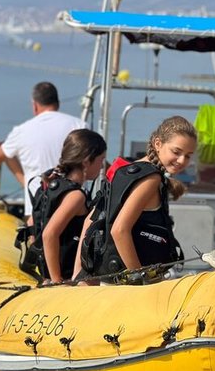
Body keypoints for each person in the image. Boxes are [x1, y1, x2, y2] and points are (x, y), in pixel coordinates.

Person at [74, 115, 195, 284]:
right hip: (125, 282)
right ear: (158, 144)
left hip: (107, 276)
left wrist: (79, 274)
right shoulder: (152, 180)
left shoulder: (123, 170)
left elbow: (91, 220)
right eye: (176, 152)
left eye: (188, 156)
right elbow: (119, 230)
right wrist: (140, 280)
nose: (182, 160)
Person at [0, 81, 87, 220]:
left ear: (34, 105)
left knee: (38, 239)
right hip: (74, 206)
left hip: (38, 208)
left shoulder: (22, 131)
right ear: (57, 103)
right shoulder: (79, 125)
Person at [30, 129, 106, 284]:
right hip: (66, 277)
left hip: (44, 274)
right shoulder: (75, 196)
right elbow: (49, 234)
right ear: (86, 162)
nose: (102, 166)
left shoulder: (50, 184)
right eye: (101, 160)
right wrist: (56, 280)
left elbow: (32, 224)